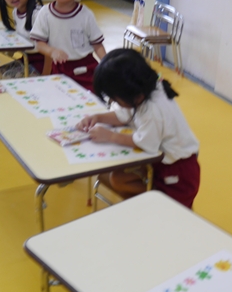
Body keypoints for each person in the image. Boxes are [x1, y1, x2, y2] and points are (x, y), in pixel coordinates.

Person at [77, 49, 200, 209]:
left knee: (173, 212)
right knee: (116, 178)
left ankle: (154, 204)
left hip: (179, 173)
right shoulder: (143, 92)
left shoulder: (153, 109)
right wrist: (98, 118)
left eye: (115, 99)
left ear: (134, 96)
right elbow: (124, 115)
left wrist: (110, 136)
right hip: (160, 163)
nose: (114, 102)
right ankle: (149, 203)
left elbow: (145, 142)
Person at [30, 0, 106, 91]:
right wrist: (52, 51)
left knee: (90, 99)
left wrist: (107, 63)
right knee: (59, 97)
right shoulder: (44, 13)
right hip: (59, 68)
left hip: (86, 68)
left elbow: (97, 44)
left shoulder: (85, 15)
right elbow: (39, 43)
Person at [0, 0, 49, 77]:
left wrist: (46, 75)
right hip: (27, 58)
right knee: (0, 72)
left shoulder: (38, 14)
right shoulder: (16, 12)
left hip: (42, 61)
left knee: (9, 76)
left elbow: (50, 49)